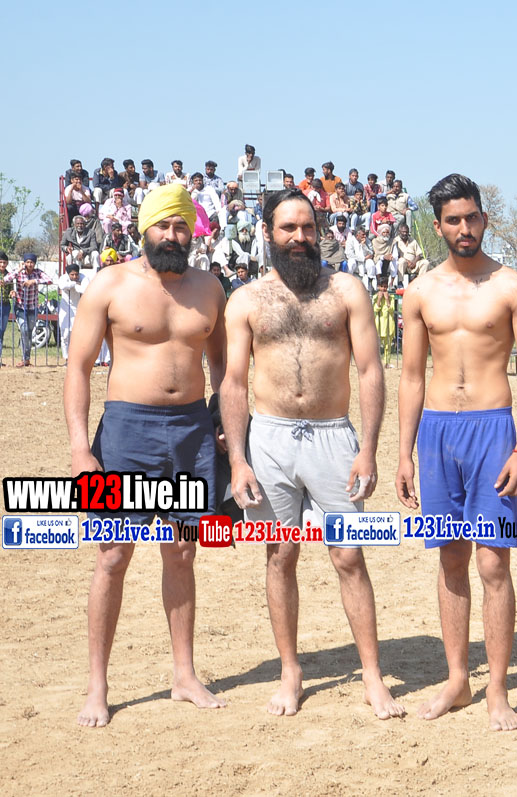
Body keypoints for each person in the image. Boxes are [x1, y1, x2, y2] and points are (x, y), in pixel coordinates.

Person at [220, 187, 401, 720]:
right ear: (268, 233)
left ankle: (372, 675)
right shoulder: (247, 299)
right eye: (288, 228)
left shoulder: (345, 290)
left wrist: (369, 449)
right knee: (280, 554)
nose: (300, 237)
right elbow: (233, 381)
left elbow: (369, 370)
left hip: (333, 437)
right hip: (269, 438)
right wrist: (237, 459)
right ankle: (290, 671)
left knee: (349, 555)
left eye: (307, 228)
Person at [64, 184, 229, 727]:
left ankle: (184, 676)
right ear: (144, 229)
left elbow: (223, 368)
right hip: (126, 432)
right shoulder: (110, 285)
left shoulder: (209, 289)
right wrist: (80, 448)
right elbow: (78, 369)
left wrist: (225, 424)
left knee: (181, 551)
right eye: (164, 226)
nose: (173, 235)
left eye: (182, 226)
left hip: (191, 432)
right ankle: (97, 685)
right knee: (113, 555)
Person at [395, 173, 517, 731]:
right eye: (453, 220)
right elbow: (412, 376)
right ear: (437, 226)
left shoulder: (510, 287)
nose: (464, 228)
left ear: (485, 219)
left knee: (493, 561)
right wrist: (404, 453)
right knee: (450, 557)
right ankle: (458, 679)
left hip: (492, 430)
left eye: (472, 217)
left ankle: (497, 688)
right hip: (437, 432)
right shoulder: (421, 291)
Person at [3, 254, 51, 366]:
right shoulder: (19, 272)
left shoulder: (38, 273)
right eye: (27, 262)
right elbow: (6, 279)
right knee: (24, 330)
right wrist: (18, 270)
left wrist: (34, 281)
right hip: (20, 307)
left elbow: (49, 280)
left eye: (31, 262)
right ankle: (25, 358)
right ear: (24, 263)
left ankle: (26, 358)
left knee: (29, 332)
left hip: (33, 307)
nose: (29, 264)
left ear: (34, 263)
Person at [57, 263, 90, 364]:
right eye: (72, 275)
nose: (75, 277)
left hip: (78, 307)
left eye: (76, 274)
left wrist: (75, 285)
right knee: (65, 334)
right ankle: (67, 358)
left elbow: (85, 289)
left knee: (77, 334)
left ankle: (76, 358)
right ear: (68, 274)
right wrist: (74, 284)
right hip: (65, 308)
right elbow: (62, 285)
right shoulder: (63, 278)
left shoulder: (84, 278)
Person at [373, 284, 398, 368]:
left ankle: (387, 363)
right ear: (378, 287)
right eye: (382, 286)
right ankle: (376, 363)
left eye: (385, 287)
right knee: (376, 346)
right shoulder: (375, 297)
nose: (384, 289)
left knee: (388, 346)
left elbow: (392, 310)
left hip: (388, 324)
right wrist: (379, 299)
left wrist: (387, 299)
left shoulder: (391, 297)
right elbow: (375, 309)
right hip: (379, 325)